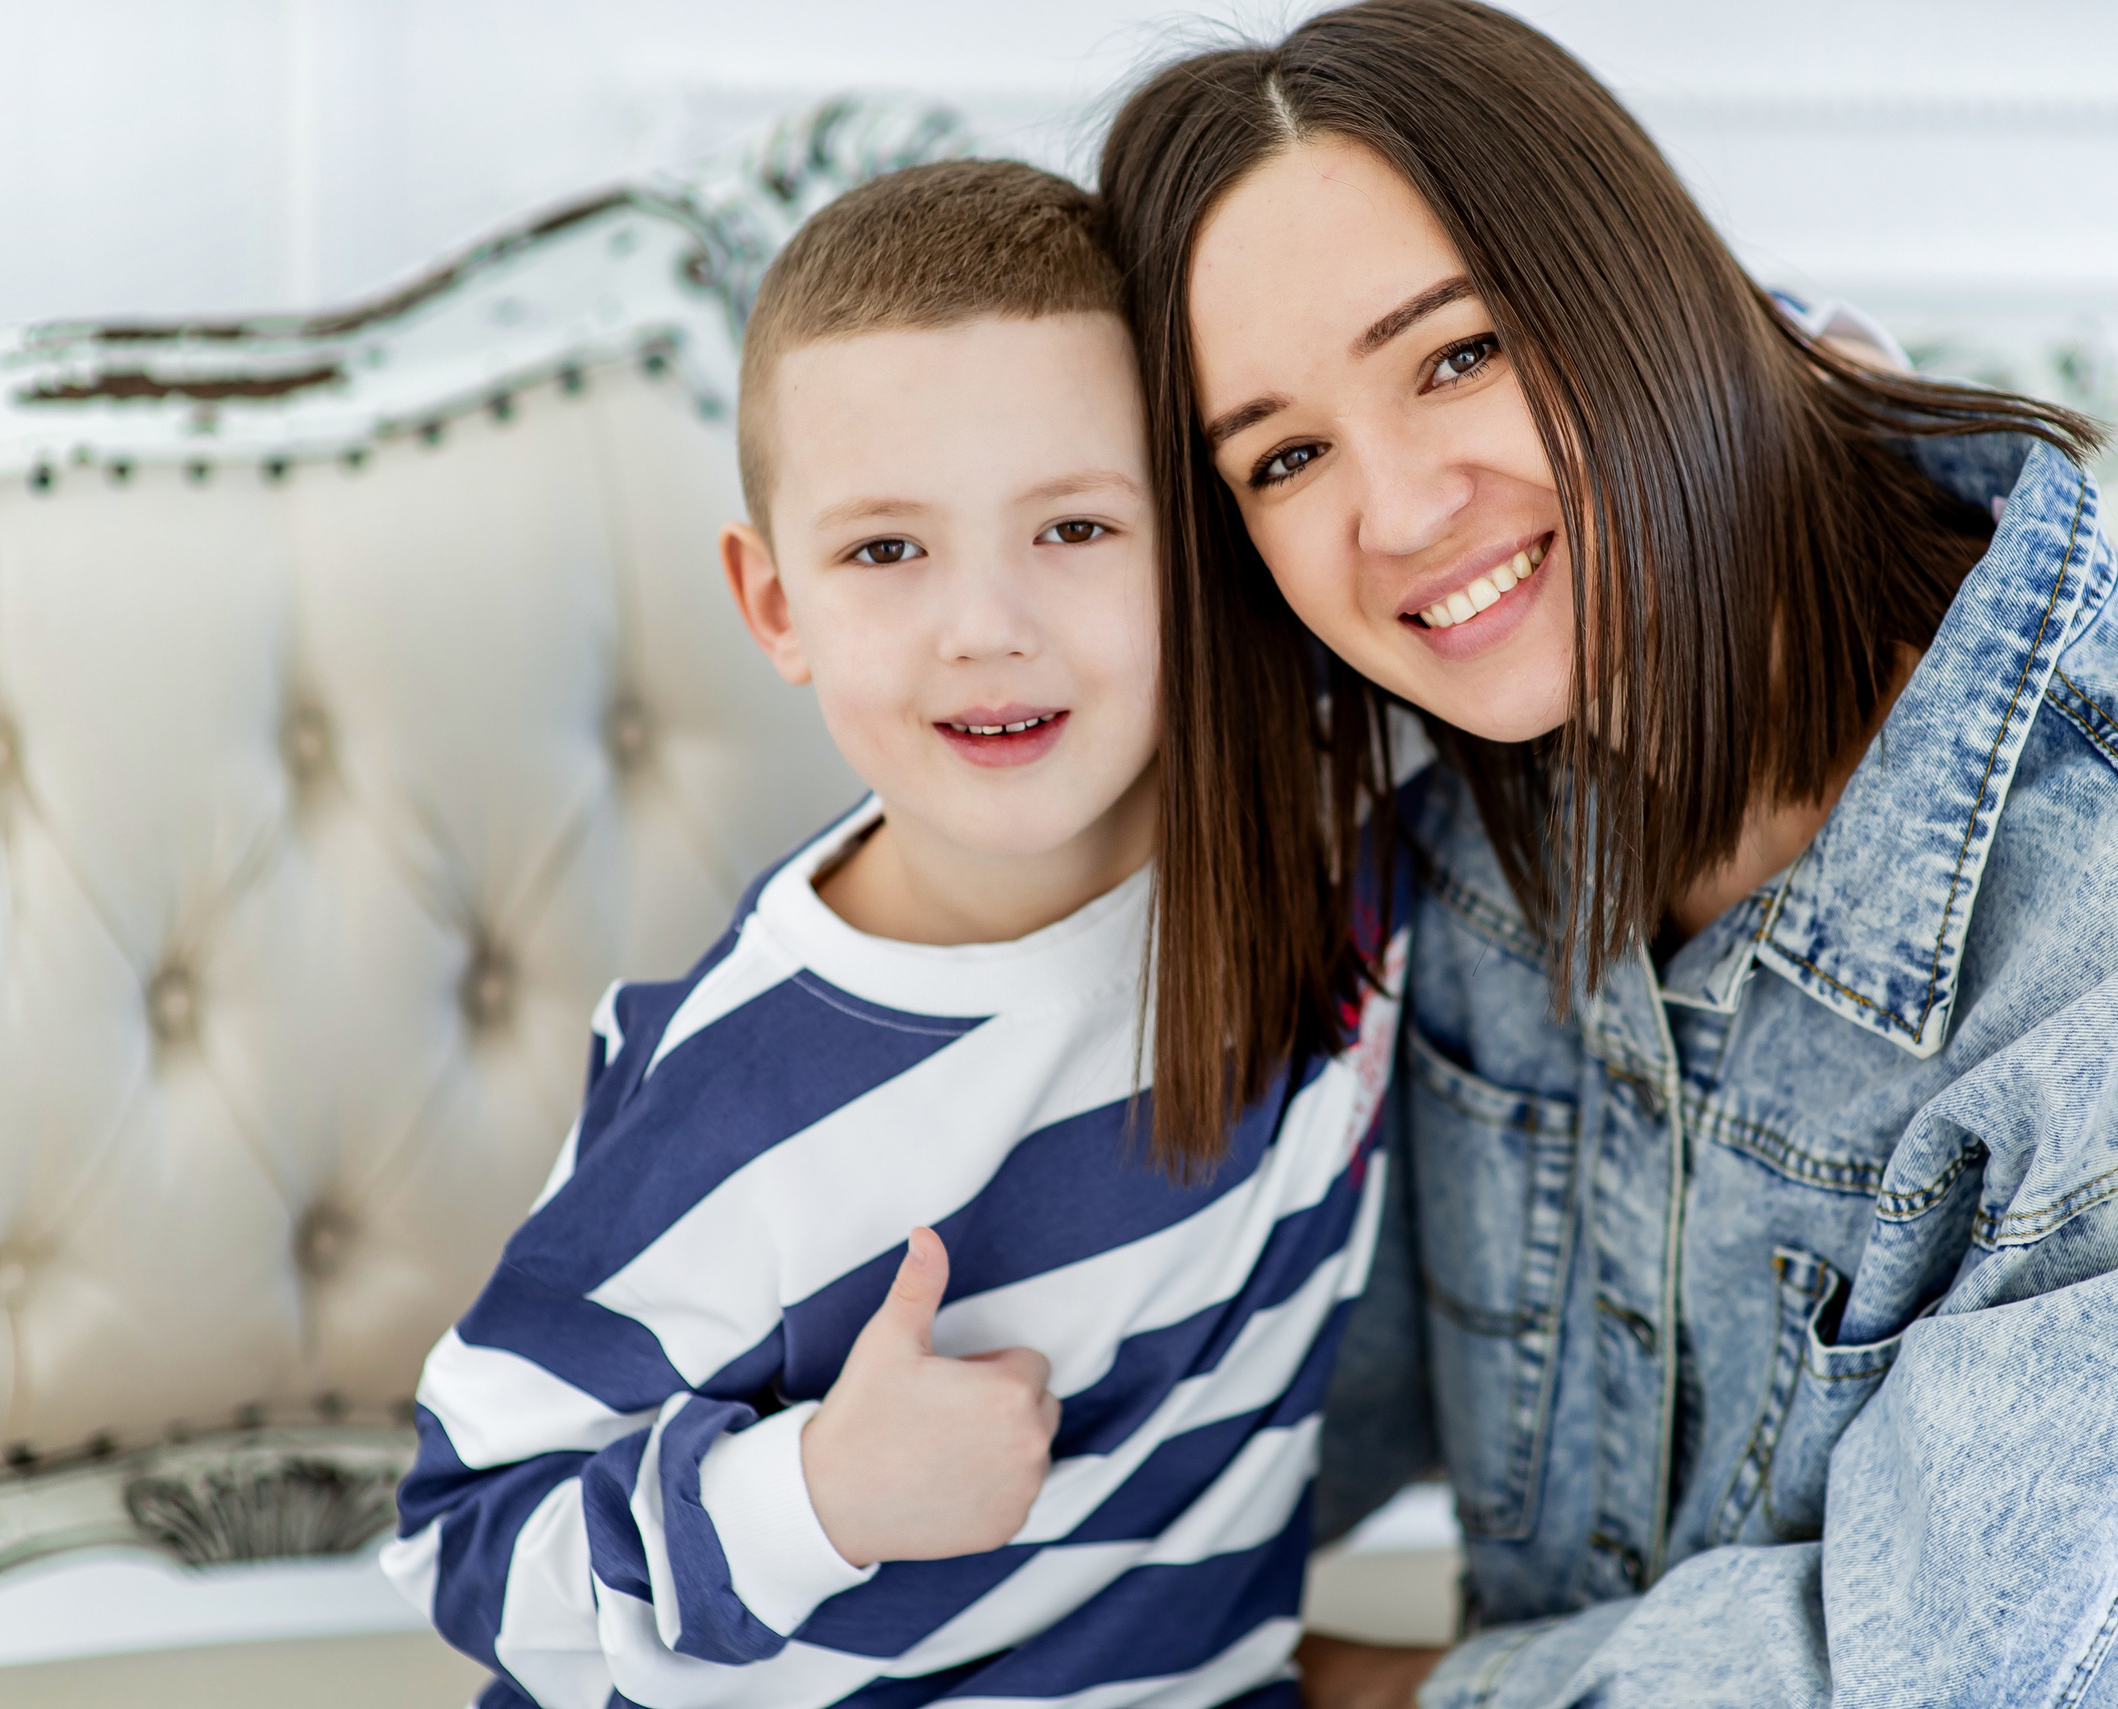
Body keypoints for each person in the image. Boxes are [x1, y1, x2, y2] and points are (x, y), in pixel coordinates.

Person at [1098, 3, 2118, 1704]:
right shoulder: (1485, 792)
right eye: (1284, 455)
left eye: (1459, 352)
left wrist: (1377, 1691)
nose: (1399, 511)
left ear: (1633, 288)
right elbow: (1257, 1412)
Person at [382, 160, 1408, 1709]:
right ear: (774, 601)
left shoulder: (1330, 808)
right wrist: (815, 1496)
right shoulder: (741, 1103)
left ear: (1197, 552)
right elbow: (463, 1539)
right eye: (885, 551)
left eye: (1072, 526)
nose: (985, 623)